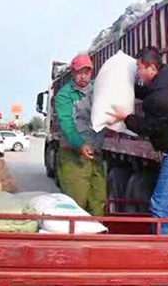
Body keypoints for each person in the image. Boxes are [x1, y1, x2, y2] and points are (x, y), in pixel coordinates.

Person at [107, 46, 168, 235]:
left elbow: (147, 127)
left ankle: (161, 257)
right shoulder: (165, 81)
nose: (138, 73)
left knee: (160, 207)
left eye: (140, 68)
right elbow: (148, 92)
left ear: (151, 68)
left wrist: (125, 117)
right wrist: (126, 87)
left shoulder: (162, 97)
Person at [55, 54, 107, 216]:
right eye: (79, 72)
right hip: (73, 156)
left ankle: (95, 238)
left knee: (98, 200)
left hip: (95, 155)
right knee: (77, 204)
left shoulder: (97, 91)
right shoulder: (64, 95)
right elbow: (67, 126)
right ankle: (75, 239)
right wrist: (80, 144)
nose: (83, 76)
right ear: (72, 73)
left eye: (87, 72)